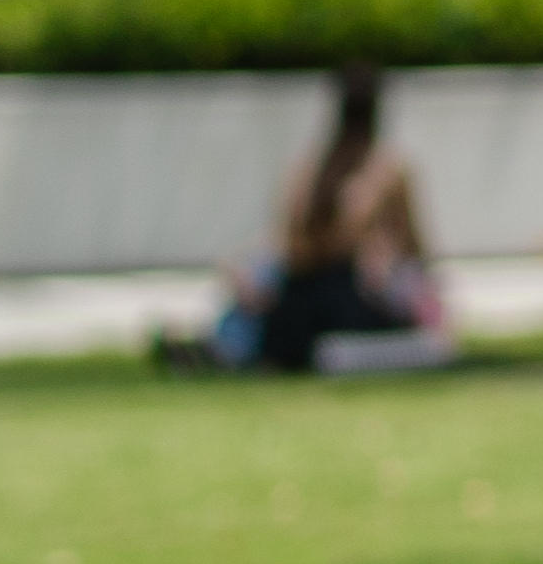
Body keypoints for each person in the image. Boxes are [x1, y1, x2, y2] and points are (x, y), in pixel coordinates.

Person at [186, 66, 442, 374]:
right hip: (346, 300)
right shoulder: (386, 169)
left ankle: (220, 350)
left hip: (299, 299)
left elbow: (291, 240)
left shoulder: (311, 166)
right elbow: (413, 245)